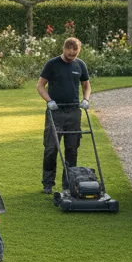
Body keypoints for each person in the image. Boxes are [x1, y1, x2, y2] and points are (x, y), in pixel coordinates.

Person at [37, 36, 91, 193]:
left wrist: (86, 99)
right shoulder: (52, 64)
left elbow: (86, 85)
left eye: (75, 52)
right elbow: (40, 86)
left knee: (72, 149)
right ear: (64, 48)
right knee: (51, 148)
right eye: (70, 51)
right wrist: (49, 101)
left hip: (74, 112)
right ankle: (48, 184)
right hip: (56, 112)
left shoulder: (80, 65)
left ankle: (68, 184)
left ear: (78, 51)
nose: (72, 54)